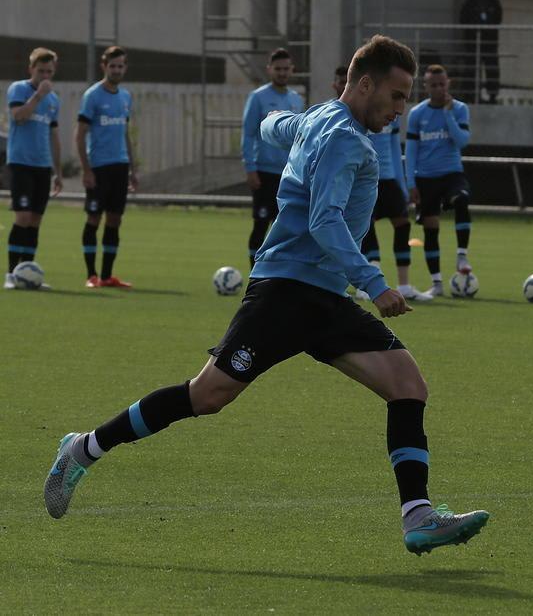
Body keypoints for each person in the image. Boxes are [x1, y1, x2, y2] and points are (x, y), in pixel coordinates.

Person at [44, 35, 490, 555]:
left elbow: (269, 125)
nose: (400, 109)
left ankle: (418, 516)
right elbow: (325, 221)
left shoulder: (318, 115)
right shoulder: (347, 140)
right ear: (365, 83)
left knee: (408, 384)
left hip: (322, 296)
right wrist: (376, 285)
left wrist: (289, 132)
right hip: (285, 292)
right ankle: (83, 449)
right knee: (206, 396)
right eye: (395, 95)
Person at [332, 65, 433, 302]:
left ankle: (405, 284)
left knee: (402, 225)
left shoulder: (388, 114)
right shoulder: (351, 114)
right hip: (365, 179)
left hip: (387, 179)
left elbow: (395, 151)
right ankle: (365, 283)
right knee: (365, 228)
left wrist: (403, 183)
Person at [405, 64, 473, 296]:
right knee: (431, 229)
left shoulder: (460, 109)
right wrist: (410, 183)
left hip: (452, 173)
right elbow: (412, 151)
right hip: (425, 178)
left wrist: (447, 113)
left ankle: (462, 256)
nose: (438, 88)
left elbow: (462, 141)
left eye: (442, 84)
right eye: (433, 85)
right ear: (425, 86)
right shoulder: (416, 114)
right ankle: (437, 284)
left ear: (448, 84)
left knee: (462, 200)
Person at [76, 46, 138, 288]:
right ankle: (91, 275)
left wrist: (133, 168)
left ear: (125, 68)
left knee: (115, 220)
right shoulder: (92, 96)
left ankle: (106, 276)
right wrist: (86, 169)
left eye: (120, 66)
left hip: (120, 167)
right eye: (112, 66)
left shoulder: (125, 97)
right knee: (93, 218)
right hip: (99, 167)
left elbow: (125, 134)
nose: (117, 70)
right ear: (104, 67)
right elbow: (79, 135)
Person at [5, 47, 63, 290]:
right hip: (21, 163)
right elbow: (19, 116)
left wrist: (57, 171)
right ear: (31, 69)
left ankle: (27, 274)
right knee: (23, 217)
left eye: (49, 72)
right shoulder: (19, 89)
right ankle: (11, 274)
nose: (45, 76)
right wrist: (38, 95)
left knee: (36, 221)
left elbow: (53, 134)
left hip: (42, 166)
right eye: (41, 71)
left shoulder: (54, 100)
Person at [241, 48, 305, 267]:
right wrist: (250, 168)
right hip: (263, 173)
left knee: (287, 227)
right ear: (269, 70)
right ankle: (254, 272)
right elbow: (248, 134)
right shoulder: (258, 97)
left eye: (286, 69)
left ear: (292, 70)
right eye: (278, 69)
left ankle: (278, 274)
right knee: (261, 223)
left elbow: (300, 138)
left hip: (289, 174)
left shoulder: (296, 100)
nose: (282, 73)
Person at [458, 0, 502, 104]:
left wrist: (487, 25)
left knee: (492, 69)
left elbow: (498, 20)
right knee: (471, 68)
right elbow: (463, 19)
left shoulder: (494, 3)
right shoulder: (470, 3)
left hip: (489, 43)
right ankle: (469, 95)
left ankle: (492, 95)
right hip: (473, 43)